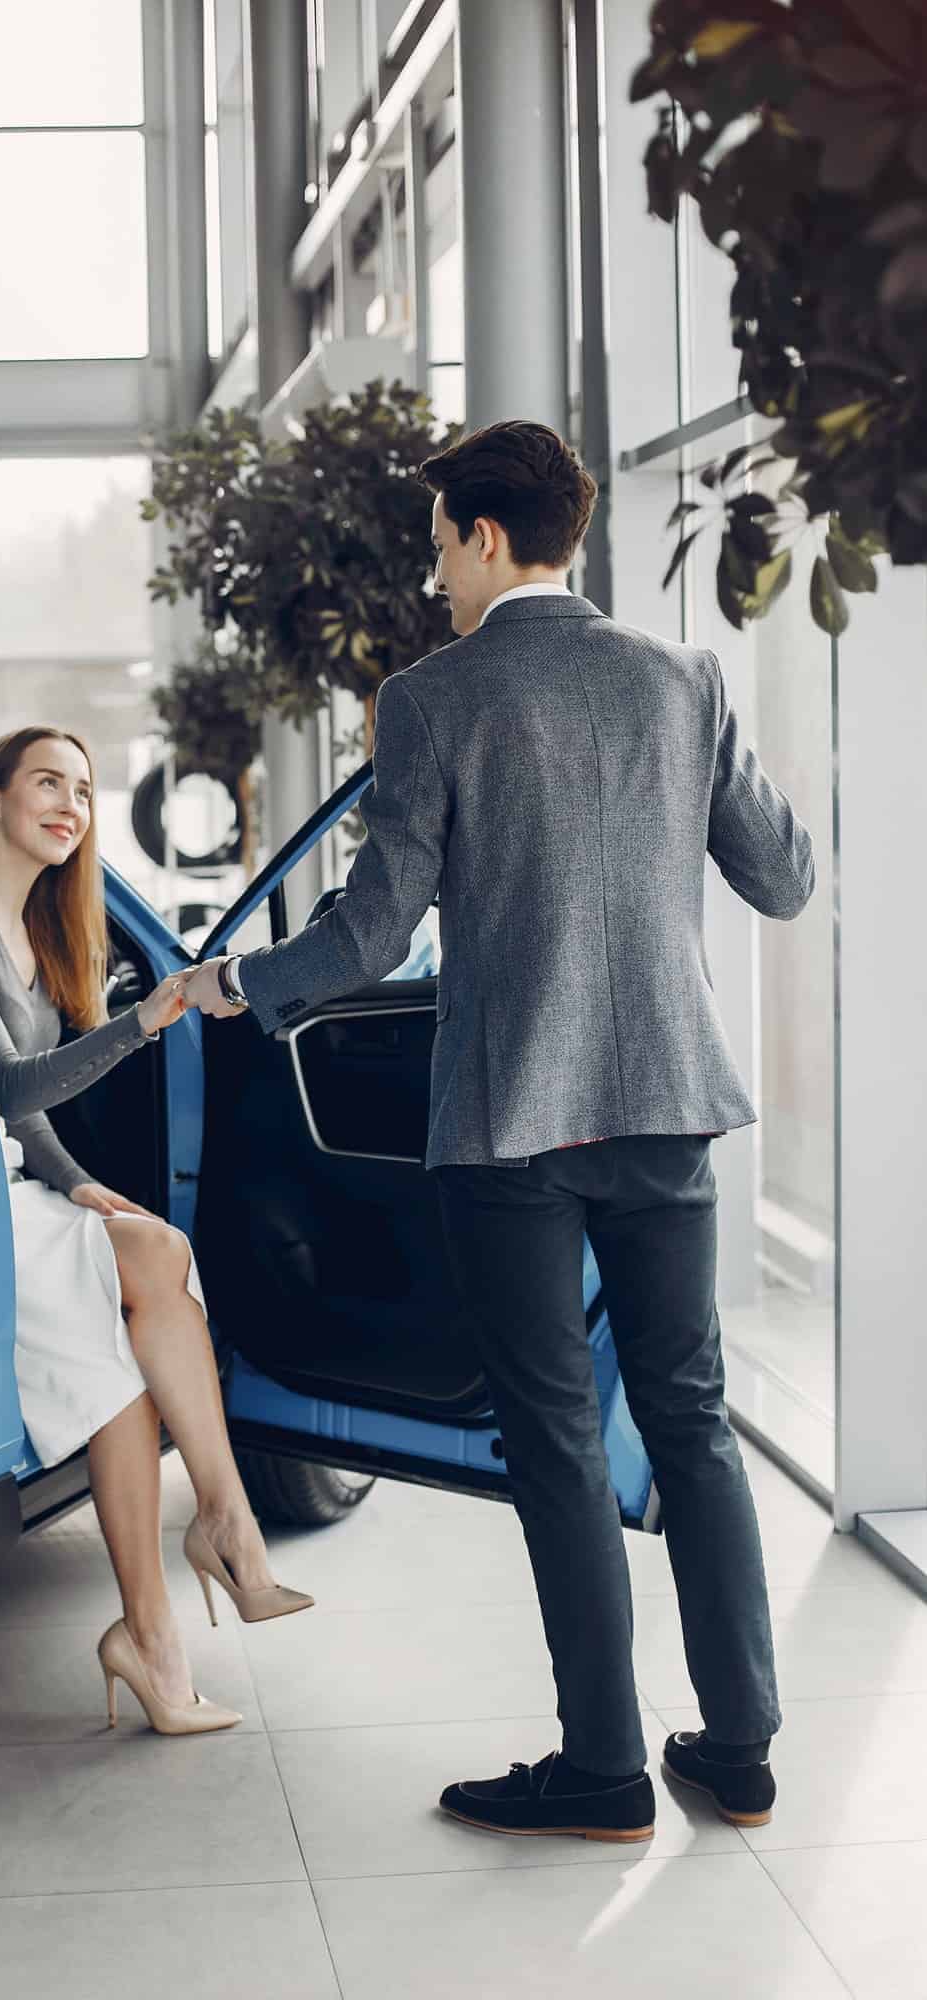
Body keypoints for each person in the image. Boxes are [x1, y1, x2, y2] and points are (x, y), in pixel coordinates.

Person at [188, 419, 811, 1839]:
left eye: (435, 550)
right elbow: (781, 875)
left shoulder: (435, 697)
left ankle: (600, 1769)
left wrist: (234, 983)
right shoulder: (683, 680)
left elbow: (367, 929)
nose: (432, 581)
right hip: (667, 1111)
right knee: (693, 1424)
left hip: (509, 1125)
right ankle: (741, 1749)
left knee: (553, 1444)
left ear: (480, 536)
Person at [0, 725, 312, 1739]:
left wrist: (84, 1186)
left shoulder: (36, 933)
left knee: (124, 1368)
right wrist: (141, 1022)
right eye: (47, 782)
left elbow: (27, 1118)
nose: (70, 804)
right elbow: (5, 1087)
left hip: (13, 1180)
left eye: (84, 791)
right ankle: (228, 1528)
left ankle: (152, 1638)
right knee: (162, 1258)